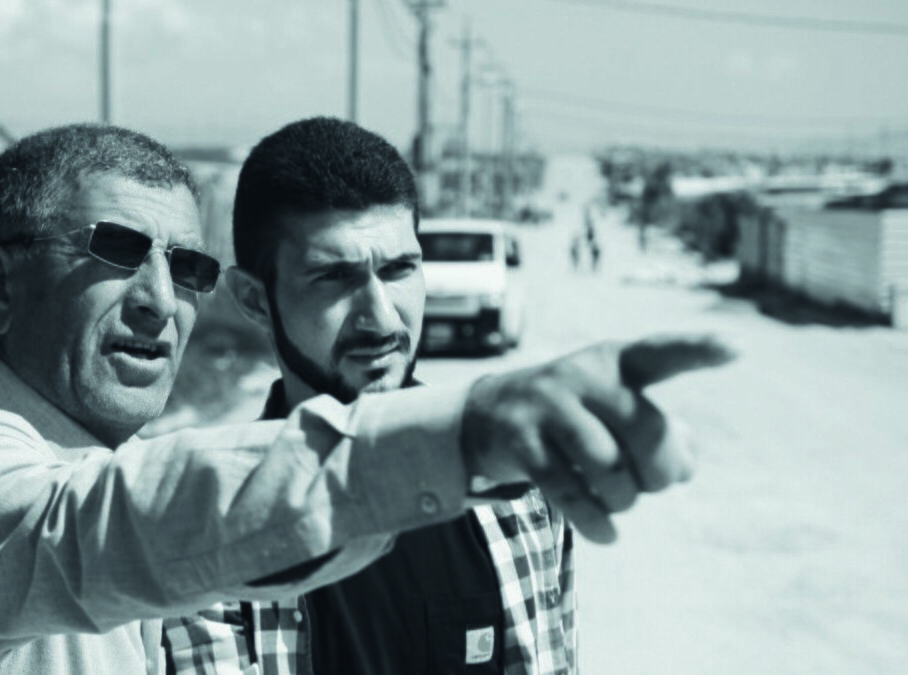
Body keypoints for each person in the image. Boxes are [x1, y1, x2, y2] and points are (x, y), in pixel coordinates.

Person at [0, 122, 733, 674]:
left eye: (186, 266)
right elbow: (99, 528)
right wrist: (464, 432)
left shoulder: (132, 494)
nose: (159, 301)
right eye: (114, 251)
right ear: (0, 284)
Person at [162, 117, 721, 674]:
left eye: (400, 269)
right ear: (254, 300)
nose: (382, 316)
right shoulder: (204, 538)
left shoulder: (516, 496)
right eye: (333, 278)